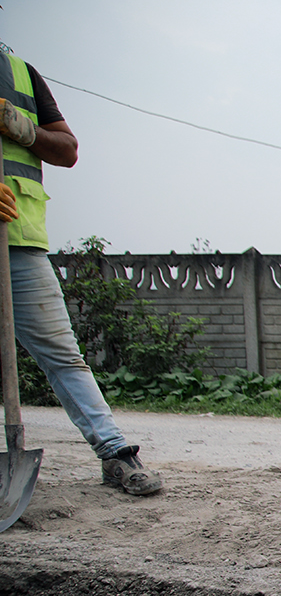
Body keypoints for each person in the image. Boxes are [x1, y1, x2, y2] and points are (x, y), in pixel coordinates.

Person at [0, 44, 161, 495]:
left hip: (20, 244)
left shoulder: (20, 73)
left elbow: (67, 149)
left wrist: (24, 129)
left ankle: (116, 454)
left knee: (64, 356)